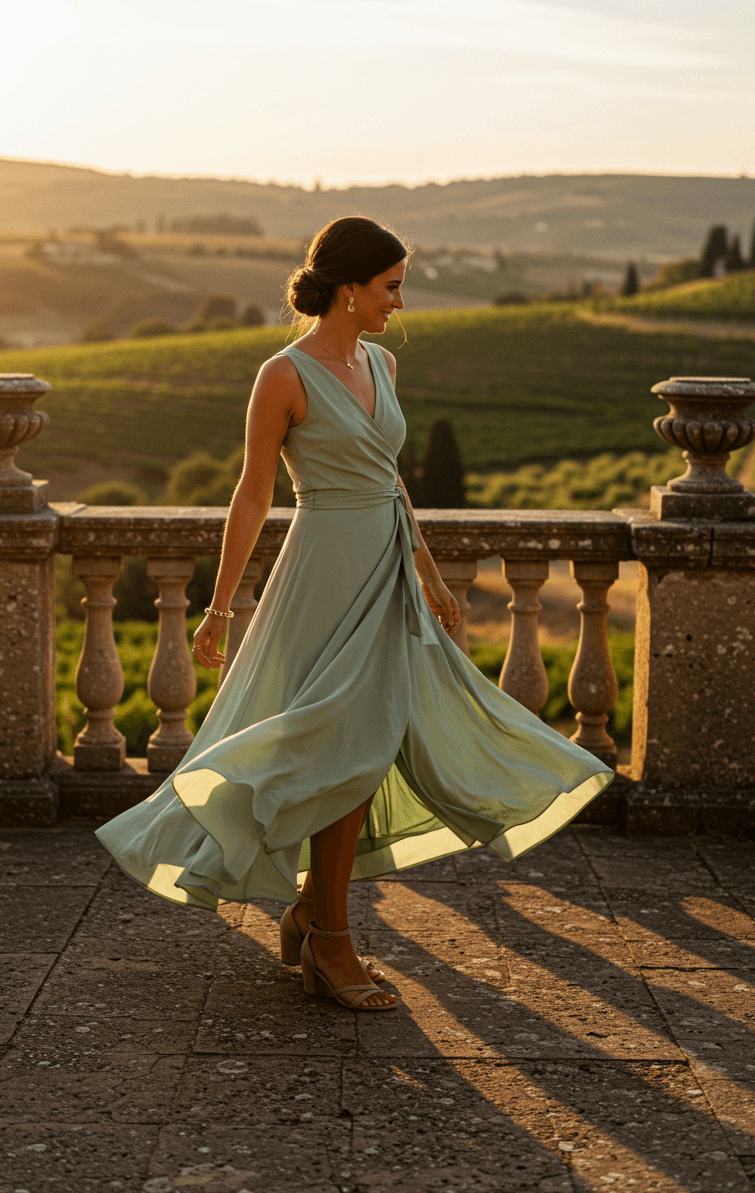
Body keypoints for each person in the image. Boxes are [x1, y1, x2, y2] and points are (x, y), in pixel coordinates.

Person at [96, 216, 614, 1013]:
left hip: (387, 569)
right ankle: (329, 936)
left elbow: (390, 478)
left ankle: (315, 916)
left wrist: (430, 572)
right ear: (348, 288)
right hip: (324, 574)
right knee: (344, 750)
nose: (398, 303)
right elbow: (253, 493)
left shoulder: (381, 364)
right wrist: (222, 603)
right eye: (391, 286)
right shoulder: (283, 374)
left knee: (367, 750)